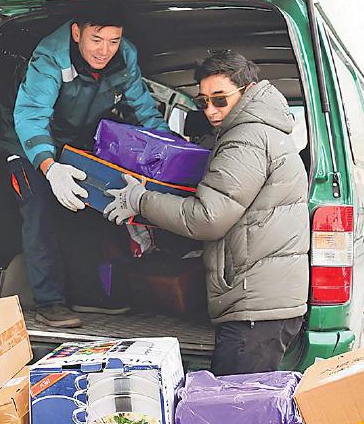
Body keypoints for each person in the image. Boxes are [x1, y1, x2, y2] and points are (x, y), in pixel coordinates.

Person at [103, 50, 309, 374]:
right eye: (203, 102)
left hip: (254, 309)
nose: (211, 110)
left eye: (220, 99)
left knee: (231, 401)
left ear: (247, 90)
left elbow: (207, 218)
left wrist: (141, 201)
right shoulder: (262, 132)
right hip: (263, 303)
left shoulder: (246, 140)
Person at [0, 0, 170, 329]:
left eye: (113, 40)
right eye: (96, 39)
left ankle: (87, 295)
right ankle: (49, 303)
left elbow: (145, 112)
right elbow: (31, 116)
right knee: (39, 213)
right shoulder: (51, 55)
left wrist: (173, 153)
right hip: (26, 141)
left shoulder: (125, 57)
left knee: (86, 211)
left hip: (75, 142)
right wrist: (50, 168)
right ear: (77, 33)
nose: (105, 50)